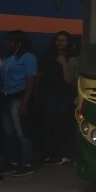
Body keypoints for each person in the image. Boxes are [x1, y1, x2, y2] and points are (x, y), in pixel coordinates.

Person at [0, 30, 38, 177]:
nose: (7, 44)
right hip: (5, 98)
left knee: (21, 132)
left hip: (18, 98)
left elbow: (31, 81)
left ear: (19, 43)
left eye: (10, 41)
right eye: (7, 41)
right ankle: (13, 162)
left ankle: (26, 163)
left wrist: (25, 103)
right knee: (8, 132)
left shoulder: (28, 57)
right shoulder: (7, 58)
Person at [38, 31, 78, 165]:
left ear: (68, 42)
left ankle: (54, 153)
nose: (60, 42)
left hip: (64, 93)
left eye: (63, 40)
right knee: (48, 122)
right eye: (58, 40)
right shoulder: (48, 55)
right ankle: (46, 154)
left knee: (59, 123)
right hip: (48, 92)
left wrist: (63, 64)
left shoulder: (72, 57)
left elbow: (69, 80)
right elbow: (40, 74)